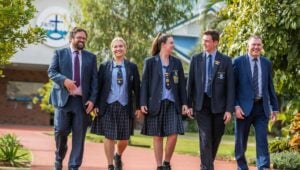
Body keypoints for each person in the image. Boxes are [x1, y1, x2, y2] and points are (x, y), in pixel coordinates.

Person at [48, 27, 98, 170]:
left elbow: (95, 81)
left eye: (84, 38)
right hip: (63, 101)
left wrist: (93, 100)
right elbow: (51, 71)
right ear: (71, 38)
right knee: (61, 131)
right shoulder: (59, 53)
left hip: (81, 103)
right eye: (79, 38)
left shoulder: (91, 57)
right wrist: (64, 80)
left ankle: (73, 166)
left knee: (79, 137)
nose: (82, 40)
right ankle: (59, 157)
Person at [90, 37, 141, 170]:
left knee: (124, 138)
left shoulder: (132, 67)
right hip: (107, 105)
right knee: (109, 136)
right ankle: (110, 165)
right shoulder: (104, 66)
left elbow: (137, 88)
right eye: (115, 47)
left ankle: (118, 155)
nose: (118, 49)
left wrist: (139, 106)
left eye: (120, 46)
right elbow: (98, 87)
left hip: (125, 106)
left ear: (125, 48)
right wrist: (95, 105)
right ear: (112, 49)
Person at [187, 30, 234, 170]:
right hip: (201, 105)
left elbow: (230, 87)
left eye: (207, 41)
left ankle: (207, 165)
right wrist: (189, 104)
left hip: (219, 106)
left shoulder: (226, 61)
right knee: (205, 137)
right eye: (203, 40)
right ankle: (206, 167)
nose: (204, 43)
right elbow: (190, 84)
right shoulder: (196, 59)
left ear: (215, 42)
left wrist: (229, 110)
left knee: (215, 138)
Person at [140, 33, 188, 170]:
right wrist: (143, 103)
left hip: (173, 104)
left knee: (173, 134)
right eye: (171, 43)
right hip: (156, 103)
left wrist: (184, 103)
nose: (173, 45)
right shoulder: (150, 62)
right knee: (158, 136)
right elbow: (145, 84)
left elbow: (181, 86)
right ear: (163, 45)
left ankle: (167, 162)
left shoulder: (177, 63)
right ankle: (159, 166)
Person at [233, 35, 278, 170]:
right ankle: (242, 167)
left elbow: (270, 86)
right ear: (248, 46)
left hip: (261, 108)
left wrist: (274, 108)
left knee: (262, 141)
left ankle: (263, 167)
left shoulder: (266, 63)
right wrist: (235, 106)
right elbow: (232, 88)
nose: (256, 47)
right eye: (253, 45)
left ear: (262, 47)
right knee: (241, 142)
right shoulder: (238, 62)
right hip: (243, 109)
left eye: (259, 45)